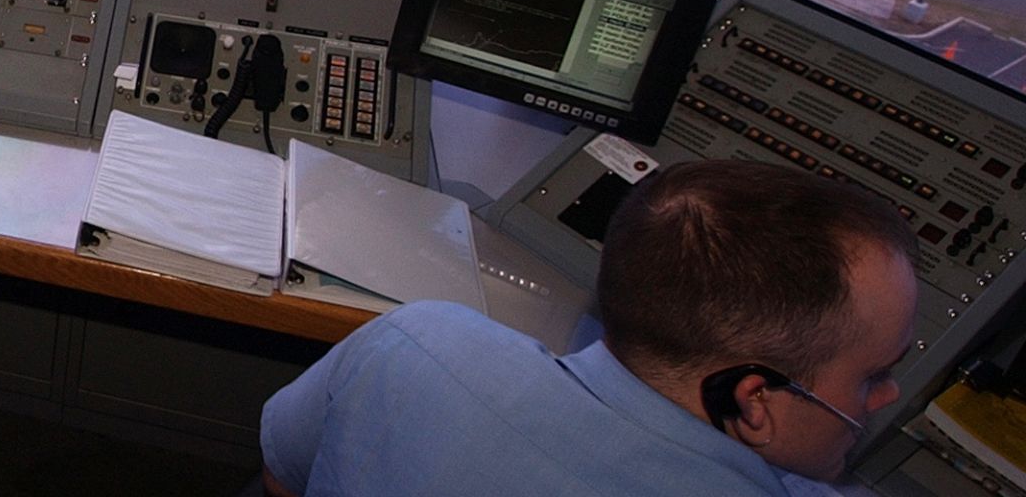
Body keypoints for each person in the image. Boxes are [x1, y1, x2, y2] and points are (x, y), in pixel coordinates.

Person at [260, 159, 918, 496]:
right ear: (753, 401)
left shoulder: (418, 341)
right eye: (872, 375)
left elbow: (284, 475)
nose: (886, 396)